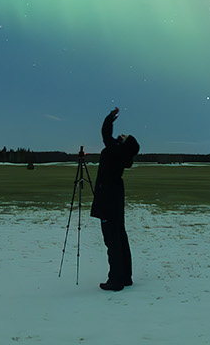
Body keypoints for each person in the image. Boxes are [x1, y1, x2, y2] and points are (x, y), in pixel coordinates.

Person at [89, 107, 140, 291]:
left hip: (108, 198)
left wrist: (110, 117)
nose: (122, 136)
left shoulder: (116, 150)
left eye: (125, 137)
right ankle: (125, 276)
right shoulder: (121, 153)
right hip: (115, 197)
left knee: (112, 240)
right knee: (119, 237)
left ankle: (116, 280)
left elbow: (105, 133)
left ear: (125, 145)